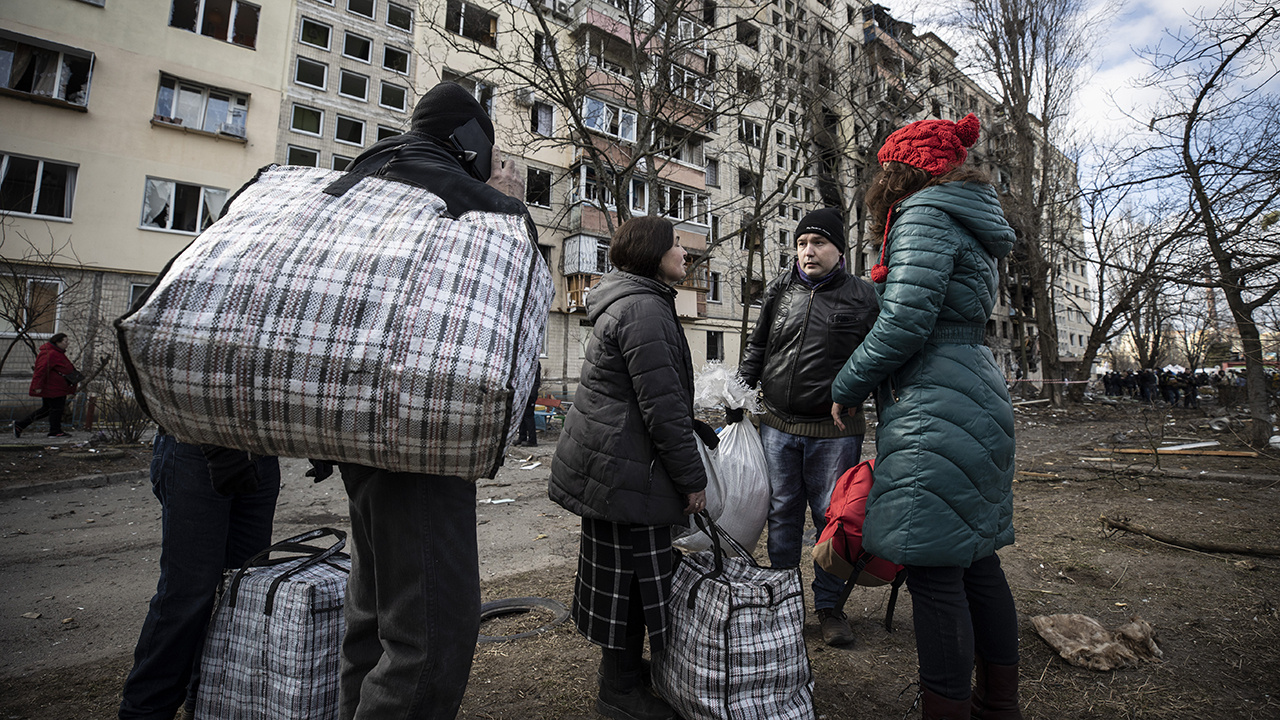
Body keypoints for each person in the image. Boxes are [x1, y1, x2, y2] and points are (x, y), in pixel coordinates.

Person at [332, 81, 537, 720]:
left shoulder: (361, 173)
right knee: (432, 627)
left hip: (352, 421)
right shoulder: (446, 185)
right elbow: (512, 246)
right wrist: (509, 199)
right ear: (469, 140)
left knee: (375, 610)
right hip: (414, 426)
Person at [830, 113, 1024, 720]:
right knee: (975, 559)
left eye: (885, 166)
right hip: (975, 392)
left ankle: (944, 707)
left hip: (934, 403)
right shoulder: (968, 216)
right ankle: (998, 702)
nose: (878, 180)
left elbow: (906, 320)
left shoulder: (922, 215)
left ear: (904, 168)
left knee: (935, 566)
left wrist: (848, 384)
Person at [549, 216, 709, 720]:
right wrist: (692, 480)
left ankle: (622, 677)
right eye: (676, 245)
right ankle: (618, 693)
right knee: (632, 584)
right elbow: (663, 409)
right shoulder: (644, 309)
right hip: (624, 471)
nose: (685, 253)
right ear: (652, 254)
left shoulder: (638, 300)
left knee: (630, 581)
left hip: (616, 466)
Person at [736, 208, 879, 647]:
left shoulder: (864, 297)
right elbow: (759, 344)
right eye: (801, 243)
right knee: (780, 517)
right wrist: (738, 395)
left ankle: (829, 608)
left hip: (834, 432)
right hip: (777, 425)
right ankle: (784, 605)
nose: (808, 251)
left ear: (839, 249)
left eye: (817, 243)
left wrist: (860, 393)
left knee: (830, 520)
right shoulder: (781, 289)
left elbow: (881, 356)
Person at [119, 438, 281, 719]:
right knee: (188, 597)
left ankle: (205, 704)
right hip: (195, 451)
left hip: (260, 452)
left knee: (241, 596)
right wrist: (218, 449)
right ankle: (144, 711)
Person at [15, 332, 78, 438]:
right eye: (65, 341)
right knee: (56, 409)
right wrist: (37, 386)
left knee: (47, 409)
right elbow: (41, 370)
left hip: (56, 387)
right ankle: (55, 431)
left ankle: (20, 425)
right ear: (57, 342)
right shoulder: (51, 353)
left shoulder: (57, 352)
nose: (67, 344)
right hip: (53, 387)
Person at [515, 361, 542, 447]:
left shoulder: (534, 363)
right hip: (523, 393)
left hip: (530, 394)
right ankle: (522, 437)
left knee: (528, 416)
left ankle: (532, 440)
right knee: (522, 416)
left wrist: (531, 394)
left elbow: (536, 381)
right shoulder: (525, 362)